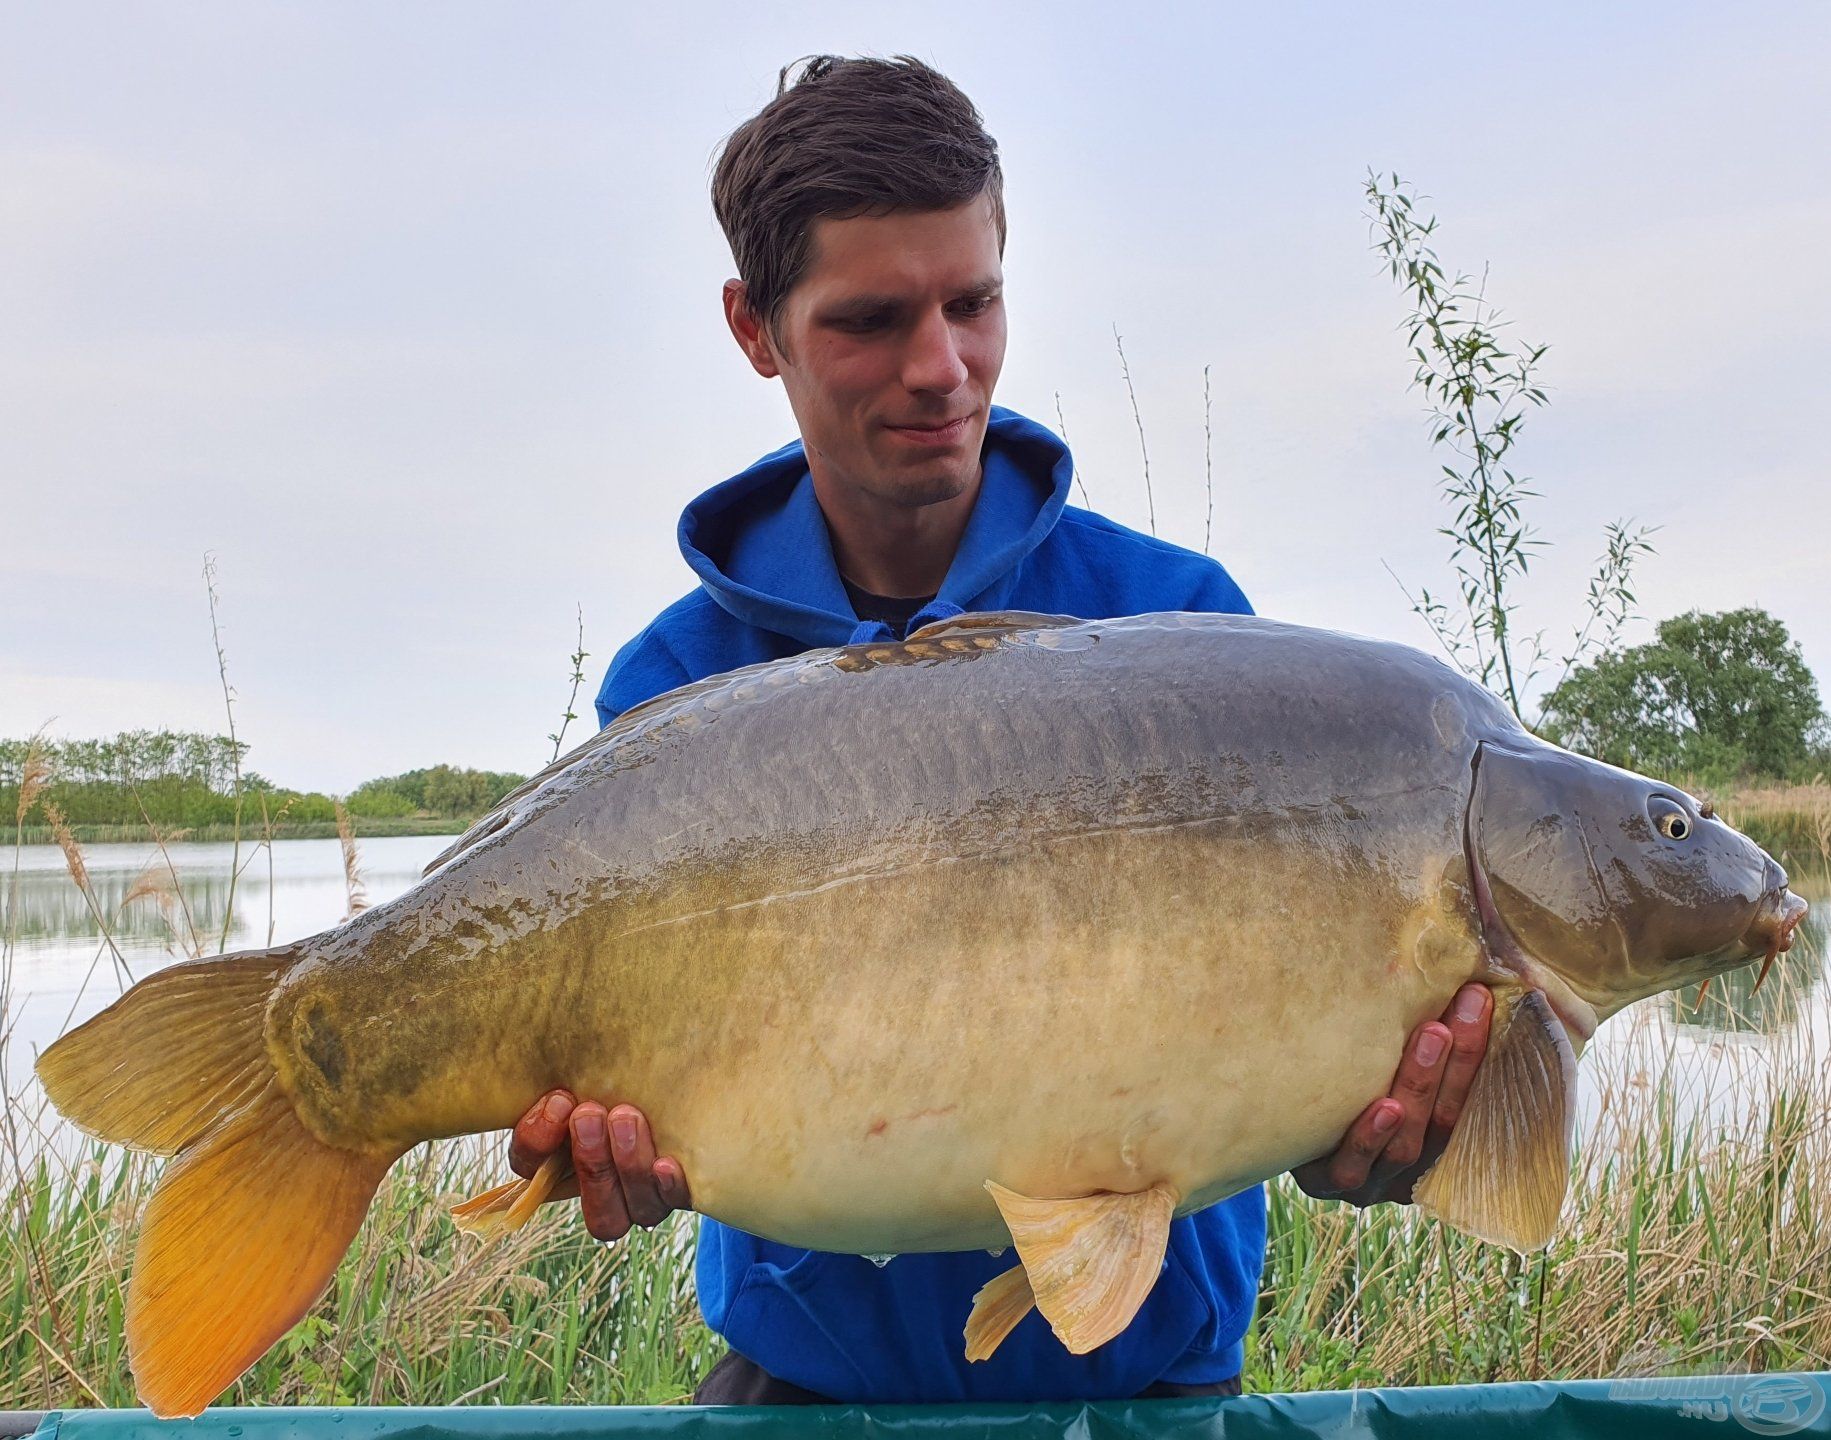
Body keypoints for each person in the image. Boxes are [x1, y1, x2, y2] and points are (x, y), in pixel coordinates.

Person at [506, 54, 1493, 1405]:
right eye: (869, 320)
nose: (941, 367)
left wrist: (1366, 1138)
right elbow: (616, 1120)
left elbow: (1300, 1068)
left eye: (974, 302)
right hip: (807, 1396)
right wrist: (601, 1153)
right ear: (755, 328)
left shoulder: (1185, 634)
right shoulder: (677, 693)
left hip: (1153, 1386)